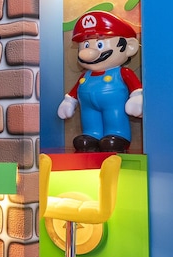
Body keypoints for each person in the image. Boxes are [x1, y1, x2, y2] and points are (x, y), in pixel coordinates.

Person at [57, 11, 144, 153]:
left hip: (114, 107)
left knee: (114, 118)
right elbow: (74, 91)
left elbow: (136, 88)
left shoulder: (122, 72)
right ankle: (92, 136)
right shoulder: (85, 75)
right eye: (86, 44)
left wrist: (137, 98)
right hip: (88, 108)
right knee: (89, 120)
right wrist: (69, 102)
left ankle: (118, 136)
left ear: (129, 47)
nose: (88, 52)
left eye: (99, 44)